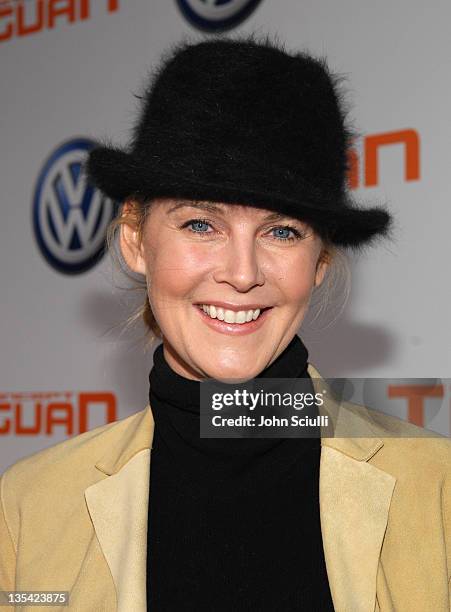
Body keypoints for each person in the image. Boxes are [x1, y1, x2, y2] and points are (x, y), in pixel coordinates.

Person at [1, 34, 450, 612]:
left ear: (320, 262)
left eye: (282, 231)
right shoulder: (31, 502)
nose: (242, 274)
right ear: (136, 240)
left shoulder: (435, 486)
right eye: (200, 225)